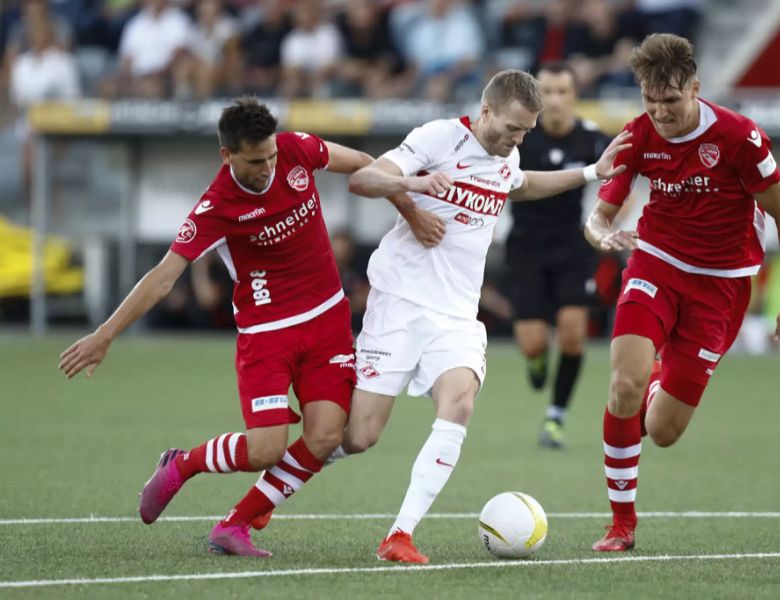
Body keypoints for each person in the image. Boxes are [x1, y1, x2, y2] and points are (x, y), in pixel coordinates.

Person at [58, 98, 444, 557]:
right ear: (228, 156)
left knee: (326, 436)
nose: (268, 167)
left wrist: (412, 210)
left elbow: (363, 164)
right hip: (268, 335)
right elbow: (163, 277)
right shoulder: (216, 206)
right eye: (256, 161)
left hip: (328, 322)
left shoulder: (296, 150)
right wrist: (105, 334)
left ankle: (235, 524)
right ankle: (183, 464)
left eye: (271, 157)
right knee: (264, 450)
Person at [335, 69, 631, 563]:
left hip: (455, 316)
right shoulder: (438, 137)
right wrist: (416, 184)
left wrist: (589, 173)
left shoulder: (506, 154)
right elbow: (363, 179)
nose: (519, 140)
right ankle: (271, 478)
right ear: (486, 110)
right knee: (356, 437)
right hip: (400, 304)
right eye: (513, 128)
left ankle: (400, 535)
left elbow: (521, 183)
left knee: (460, 404)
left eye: (526, 132)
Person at [582, 33, 780, 552]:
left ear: (695, 89)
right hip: (655, 264)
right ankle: (622, 524)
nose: (660, 113)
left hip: (722, 288)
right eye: (649, 100)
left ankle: (661, 377)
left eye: (670, 100)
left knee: (662, 430)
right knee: (623, 385)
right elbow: (598, 218)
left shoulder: (738, 137)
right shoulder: (638, 135)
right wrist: (603, 235)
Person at [505, 61, 611, 449]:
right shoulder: (518, 139)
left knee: (572, 333)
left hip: (573, 246)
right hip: (526, 247)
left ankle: (555, 418)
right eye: (546, 92)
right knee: (533, 343)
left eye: (562, 92)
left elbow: (624, 181)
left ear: (574, 96)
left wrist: (607, 222)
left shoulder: (593, 140)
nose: (554, 100)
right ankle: (535, 360)